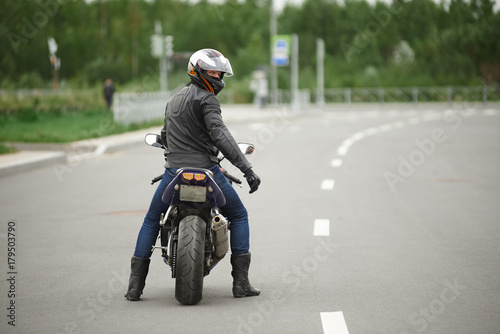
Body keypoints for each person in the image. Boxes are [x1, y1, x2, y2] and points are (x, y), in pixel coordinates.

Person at [125, 48, 262, 301]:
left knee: (152, 219)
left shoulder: (174, 99)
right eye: (212, 72)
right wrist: (247, 169)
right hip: (207, 170)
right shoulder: (208, 100)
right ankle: (240, 283)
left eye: (219, 73)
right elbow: (220, 135)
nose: (217, 77)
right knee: (239, 215)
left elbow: (165, 137)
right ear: (197, 71)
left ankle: (135, 287)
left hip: (174, 171)